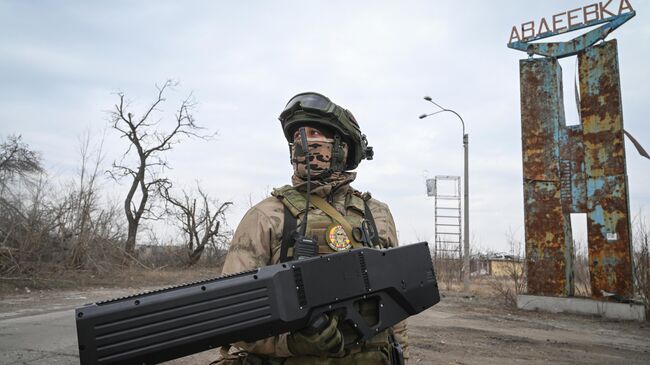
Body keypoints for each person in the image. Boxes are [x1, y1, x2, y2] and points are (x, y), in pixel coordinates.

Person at [214, 92, 407, 365]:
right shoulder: (267, 216)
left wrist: (402, 356)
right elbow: (232, 316)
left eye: (314, 133)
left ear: (344, 146)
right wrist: (290, 343)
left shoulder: (377, 214)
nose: (304, 144)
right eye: (297, 138)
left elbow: (396, 310)